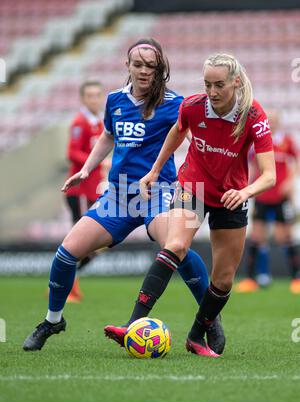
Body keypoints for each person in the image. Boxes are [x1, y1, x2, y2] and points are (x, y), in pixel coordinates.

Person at [23, 38, 225, 353]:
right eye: (138, 64)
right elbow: (107, 135)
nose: (144, 71)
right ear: (127, 66)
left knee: (176, 245)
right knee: (66, 252)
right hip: (118, 197)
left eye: (151, 65)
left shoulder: (175, 103)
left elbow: (201, 132)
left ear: (160, 69)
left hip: (157, 193)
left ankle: (209, 320)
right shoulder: (115, 100)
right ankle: (53, 320)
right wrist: (88, 169)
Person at [104, 52, 276, 358]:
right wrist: (155, 170)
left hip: (231, 196)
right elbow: (177, 131)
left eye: (219, 84)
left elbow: (270, 176)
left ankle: (197, 336)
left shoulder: (252, 115)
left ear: (236, 82)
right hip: (192, 186)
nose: (212, 91)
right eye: (207, 83)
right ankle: (132, 325)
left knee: (222, 279)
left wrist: (245, 192)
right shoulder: (194, 106)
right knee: (176, 244)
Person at [235, 109, 300, 294]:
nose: (270, 124)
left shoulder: (286, 142)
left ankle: (296, 278)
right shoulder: (257, 142)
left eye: (273, 121)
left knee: (284, 237)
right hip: (262, 195)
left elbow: (296, 162)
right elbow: (247, 163)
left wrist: (290, 181)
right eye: (268, 121)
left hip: (281, 197)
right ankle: (250, 279)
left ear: (278, 122)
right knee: (256, 237)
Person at [64, 80, 107, 303]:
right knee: (82, 242)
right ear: (83, 98)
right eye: (89, 95)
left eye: (97, 95)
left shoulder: (101, 123)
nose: (94, 99)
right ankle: (67, 287)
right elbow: (72, 153)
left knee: (100, 244)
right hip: (80, 190)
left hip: (94, 191)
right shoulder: (80, 122)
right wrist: (98, 164)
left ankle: (66, 281)